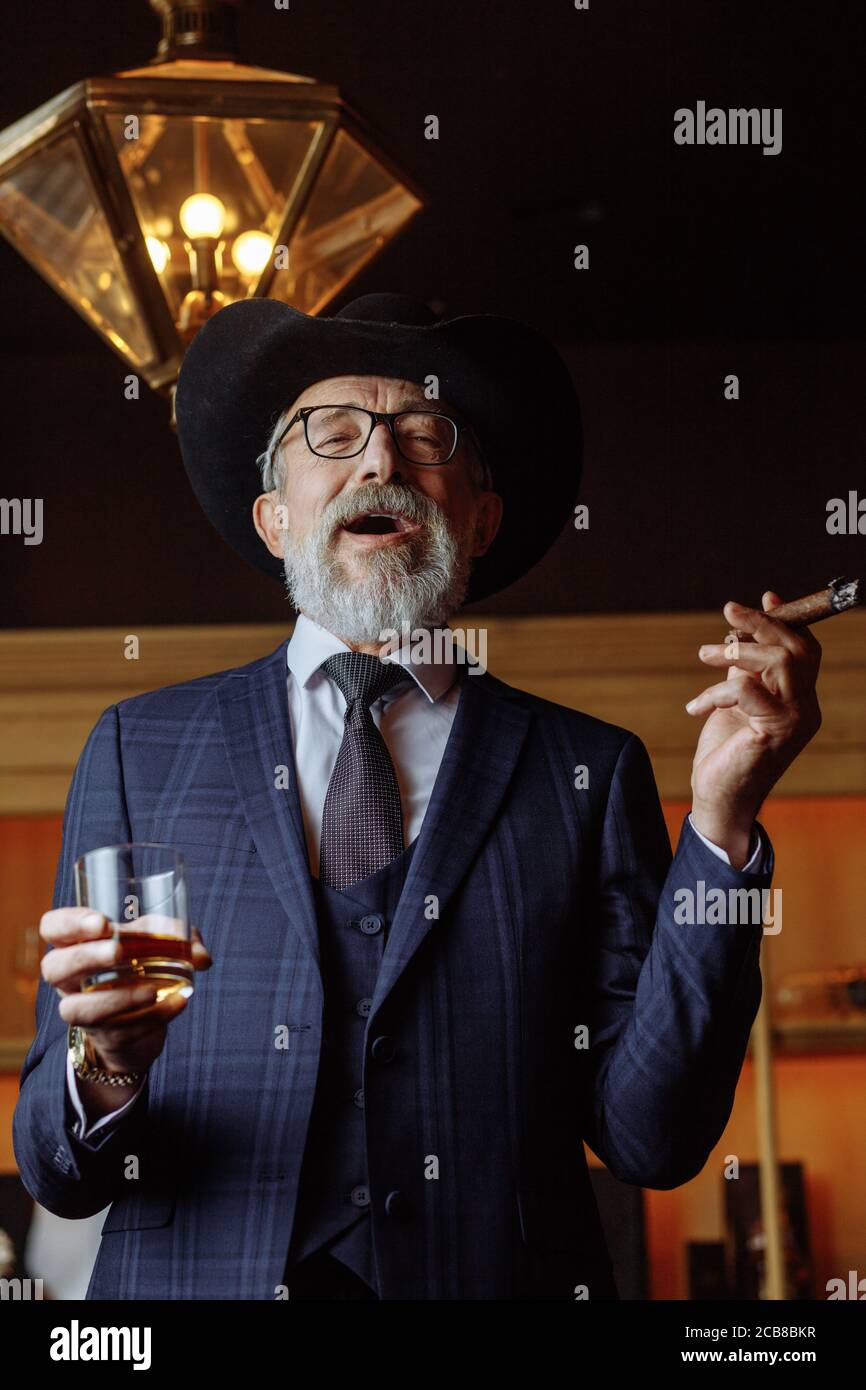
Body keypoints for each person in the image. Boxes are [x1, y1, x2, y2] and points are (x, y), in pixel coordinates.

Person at [13, 293, 822, 1300]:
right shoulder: (140, 747)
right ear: (275, 517)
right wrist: (109, 1065)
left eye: (424, 433)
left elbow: (648, 1137)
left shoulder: (587, 769)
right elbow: (61, 1169)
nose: (380, 462)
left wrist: (721, 827)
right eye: (334, 433)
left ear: (479, 519)